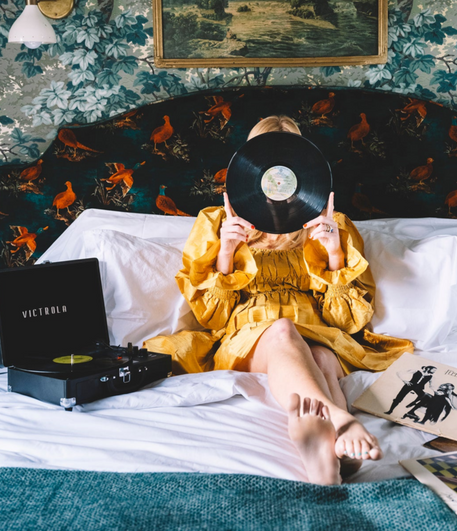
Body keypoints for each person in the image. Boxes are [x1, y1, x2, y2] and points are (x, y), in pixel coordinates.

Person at [144, 114, 414, 485]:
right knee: (283, 332)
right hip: (249, 335)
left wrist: (334, 251)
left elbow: (346, 322)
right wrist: (226, 250)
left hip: (319, 331)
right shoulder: (214, 221)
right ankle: (341, 420)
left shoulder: (331, 222)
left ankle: (325, 459)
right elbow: (210, 316)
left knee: (320, 356)